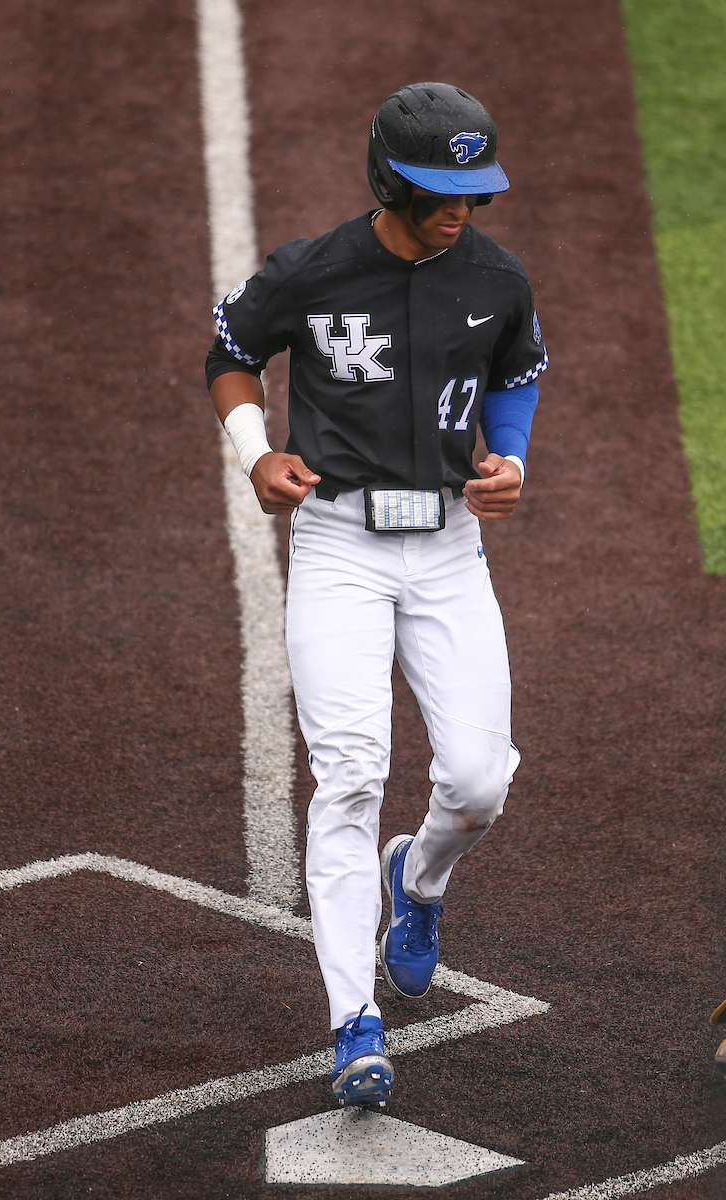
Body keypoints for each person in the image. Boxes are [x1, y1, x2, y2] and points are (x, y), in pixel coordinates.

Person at [206, 82, 547, 1108]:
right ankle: (352, 1018)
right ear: (388, 181)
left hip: (445, 550)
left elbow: (517, 372)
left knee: (478, 780)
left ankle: (419, 881)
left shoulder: (495, 276)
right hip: (339, 549)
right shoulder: (311, 271)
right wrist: (255, 454)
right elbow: (228, 352)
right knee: (350, 772)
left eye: (474, 193)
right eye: (443, 194)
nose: (463, 211)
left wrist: (511, 461)